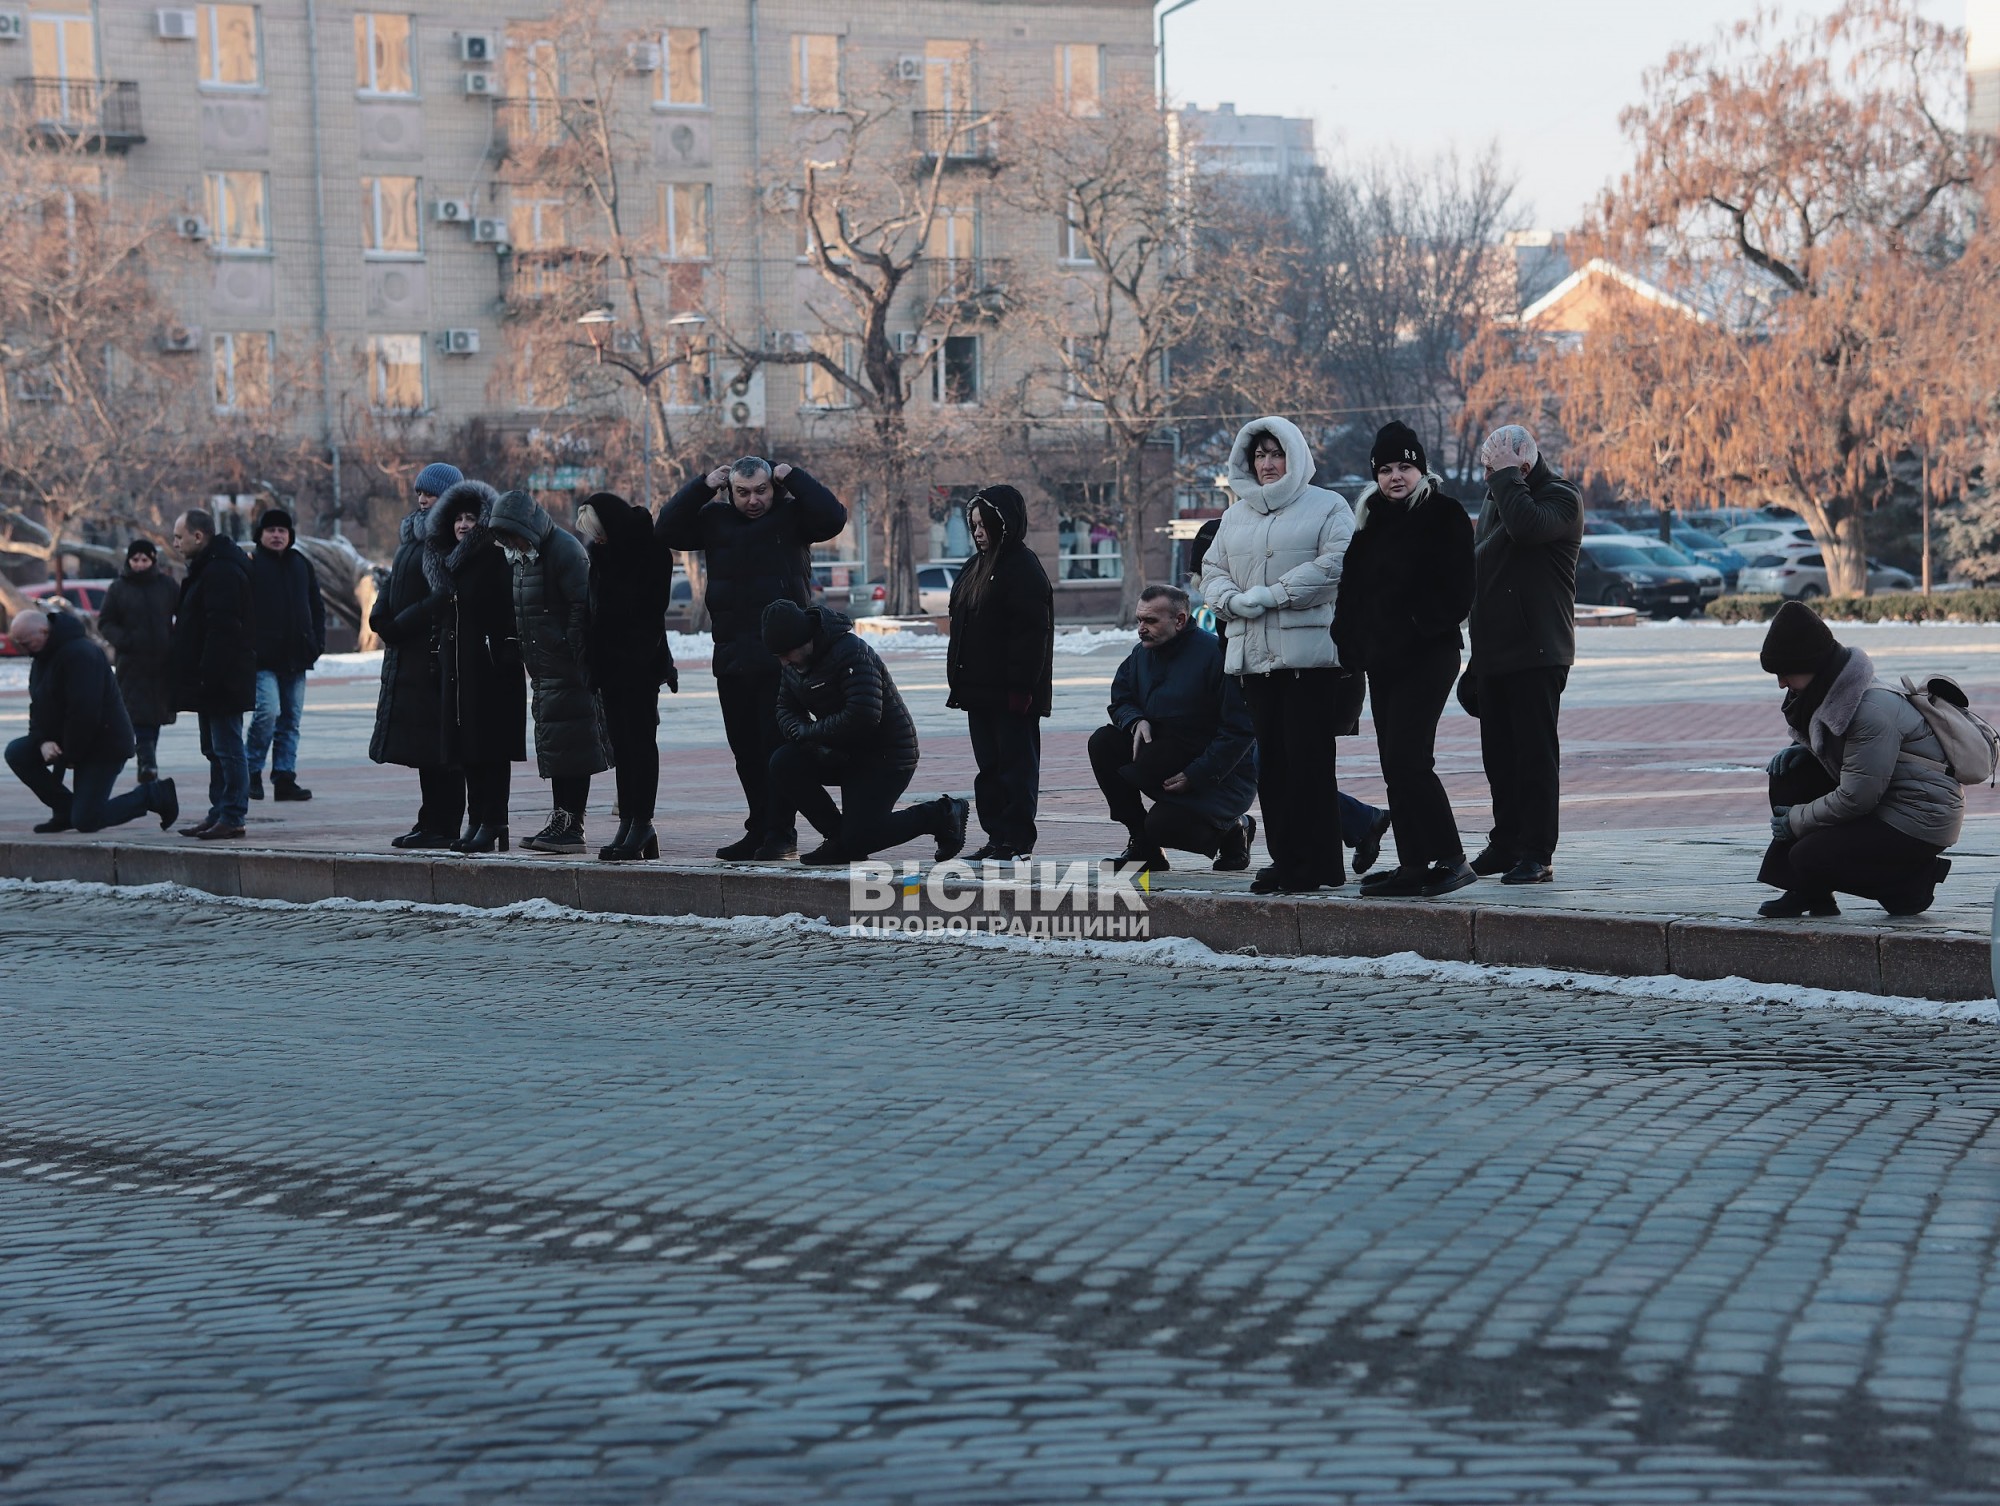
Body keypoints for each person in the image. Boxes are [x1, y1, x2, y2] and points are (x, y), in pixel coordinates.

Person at [656, 456, 848, 861]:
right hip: (732, 657)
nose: (753, 500)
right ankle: (758, 828)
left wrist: (793, 475)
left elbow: (833, 518)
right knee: (745, 751)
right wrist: (702, 485)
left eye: (761, 490)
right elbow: (667, 528)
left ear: (773, 487)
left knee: (777, 749)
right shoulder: (715, 520)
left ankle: (781, 833)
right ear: (729, 491)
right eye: (742, 492)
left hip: (783, 661)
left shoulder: (793, 516)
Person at [1199, 415, 1355, 894]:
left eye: (1276, 453)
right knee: (1273, 767)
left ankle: (1318, 863)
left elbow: (1337, 564)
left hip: (1308, 659)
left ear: (1295, 456)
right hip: (1254, 659)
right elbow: (1211, 569)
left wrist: (1274, 594)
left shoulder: (1328, 505)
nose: (1267, 464)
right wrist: (1232, 601)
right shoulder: (1235, 515)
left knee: (1309, 763)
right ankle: (1287, 859)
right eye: (1259, 455)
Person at [1333, 422, 1478, 898]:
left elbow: (1460, 589)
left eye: (1404, 467)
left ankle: (1453, 859)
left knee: (1409, 759)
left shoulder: (1444, 513)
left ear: (1421, 470)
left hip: (1428, 655)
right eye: (1386, 469)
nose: (1395, 476)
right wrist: (1348, 641)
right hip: (1383, 660)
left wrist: (1416, 625)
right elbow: (1351, 592)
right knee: (1393, 763)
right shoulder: (1370, 521)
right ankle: (1413, 864)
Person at [1755, 601, 1961, 918]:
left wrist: (1795, 820)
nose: (1782, 683)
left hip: (1918, 818)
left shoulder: (1869, 711)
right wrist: (1807, 750)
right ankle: (1809, 892)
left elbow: (1856, 797)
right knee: (1791, 772)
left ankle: (1913, 882)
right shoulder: (1834, 695)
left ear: (1814, 666)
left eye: (1786, 673)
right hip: (1885, 801)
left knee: (1807, 854)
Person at [761, 599, 969, 866]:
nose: (784, 662)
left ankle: (941, 814)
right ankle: (838, 839)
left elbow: (863, 714)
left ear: (804, 640)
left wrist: (811, 732)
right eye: (778, 656)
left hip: (885, 756)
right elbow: (784, 707)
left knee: (862, 837)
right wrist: (800, 732)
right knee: (784, 762)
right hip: (842, 752)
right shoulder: (793, 665)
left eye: (786, 654)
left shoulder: (850, 651)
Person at [1464, 424, 1582, 886]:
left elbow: (1527, 529)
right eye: (1487, 469)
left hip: (1539, 650)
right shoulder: (1500, 496)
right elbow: (1484, 570)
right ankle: (1506, 842)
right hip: (1495, 650)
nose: (1488, 477)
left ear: (1524, 467)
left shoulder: (1562, 498)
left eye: (1495, 468)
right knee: (1499, 758)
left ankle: (1537, 852)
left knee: (1535, 758)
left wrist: (1506, 479)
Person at [1091, 584, 1256, 873]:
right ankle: (1143, 845)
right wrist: (1135, 720)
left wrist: (1197, 774)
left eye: (1150, 620)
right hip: (1165, 758)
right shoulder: (1141, 654)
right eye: (1139, 620)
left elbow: (1239, 729)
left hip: (1219, 776)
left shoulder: (1215, 656)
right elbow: (1121, 698)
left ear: (1179, 620)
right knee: (1104, 742)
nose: (1141, 628)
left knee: (1163, 826)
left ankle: (1234, 828)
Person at [489, 488, 611, 854]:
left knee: (574, 744)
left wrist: (568, 646)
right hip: (544, 667)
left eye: (512, 535)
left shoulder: (563, 550)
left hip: (568, 666)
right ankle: (561, 818)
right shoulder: (523, 556)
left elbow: (580, 605)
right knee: (557, 744)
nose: (510, 543)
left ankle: (572, 824)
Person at [945, 485, 1054, 861]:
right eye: (973, 525)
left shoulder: (1022, 567)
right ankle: (997, 836)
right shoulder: (975, 566)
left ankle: (1017, 840)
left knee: (1016, 769)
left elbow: (1032, 635)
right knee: (989, 769)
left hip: (1011, 693)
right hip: (978, 690)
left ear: (1004, 524)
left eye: (984, 524)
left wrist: (1022, 688)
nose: (977, 532)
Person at [5, 608, 178, 834]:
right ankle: (66, 810)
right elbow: (38, 705)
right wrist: (42, 741)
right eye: (18, 644)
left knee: (87, 820)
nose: (23, 649)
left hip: (104, 744)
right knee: (17, 752)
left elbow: (84, 712)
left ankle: (153, 795)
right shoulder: (42, 656)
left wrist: (70, 755)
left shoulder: (81, 654)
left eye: (25, 643)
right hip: (70, 740)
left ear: (44, 631)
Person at [576, 491, 679, 862]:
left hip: (638, 665)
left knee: (640, 744)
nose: (598, 540)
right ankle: (629, 822)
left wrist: (633, 655)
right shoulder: (602, 554)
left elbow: (651, 612)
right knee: (622, 746)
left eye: (600, 532)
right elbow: (593, 611)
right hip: (609, 667)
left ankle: (642, 821)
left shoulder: (650, 549)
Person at [427, 481, 526, 854]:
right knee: (468, 749)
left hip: (491, 669)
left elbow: (509, 611)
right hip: (460, 669)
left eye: (470, 518)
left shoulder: (493, 556)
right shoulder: (447, 561)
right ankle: (476, 819)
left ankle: (494, 820)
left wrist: (504, 653)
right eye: (457, 519)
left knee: (491, 749)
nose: (463, 525)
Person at [370, 461, 464, 848]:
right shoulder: (412, 535)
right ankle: (429, 820)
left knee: (442, 747)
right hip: (408, 654)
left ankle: (445, 824)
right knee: (423, 746)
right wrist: (380, 615)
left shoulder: (449, 538)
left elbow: (442, 595)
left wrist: (402, 623)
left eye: (431, 493)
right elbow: (394, 581)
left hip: (433, 655)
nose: (423, 499)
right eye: (420, 493)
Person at [168, 509, 256, 840]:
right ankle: (219, 810)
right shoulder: (209, 567)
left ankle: (232, 814)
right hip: (210, 678)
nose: (175, 543)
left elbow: (223, 629)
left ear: (198, 536)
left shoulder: (221, 570)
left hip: (222, 678)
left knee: (228, 748)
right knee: (214, 749)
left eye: (179, 537)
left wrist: (209, 674)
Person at [244, 507, 325, 803]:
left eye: (282, 530)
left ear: (290, 535)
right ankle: (250, 773)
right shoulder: (250, 564)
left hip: (297, 656)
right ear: (260, 534)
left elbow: (316, 606)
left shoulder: (300, 564)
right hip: (262, 659)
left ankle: (284, 778)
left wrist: (316, 643)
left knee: (291, 720)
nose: (277, 535)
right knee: (268, 712)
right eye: (271, 530)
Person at [97, 538, 178, 783]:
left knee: (155, 716)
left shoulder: (167, 585)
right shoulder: (118, 588)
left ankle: (147, 760)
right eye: (135, 560)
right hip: (132, 663)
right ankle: (147, 762)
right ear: (128, 561)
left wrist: (174, 641)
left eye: (144, 559)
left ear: (153, 560)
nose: (140, 564)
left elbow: (184, 613)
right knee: (137, 715)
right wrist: (125, 640)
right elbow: (106, 622)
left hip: (163, 663)